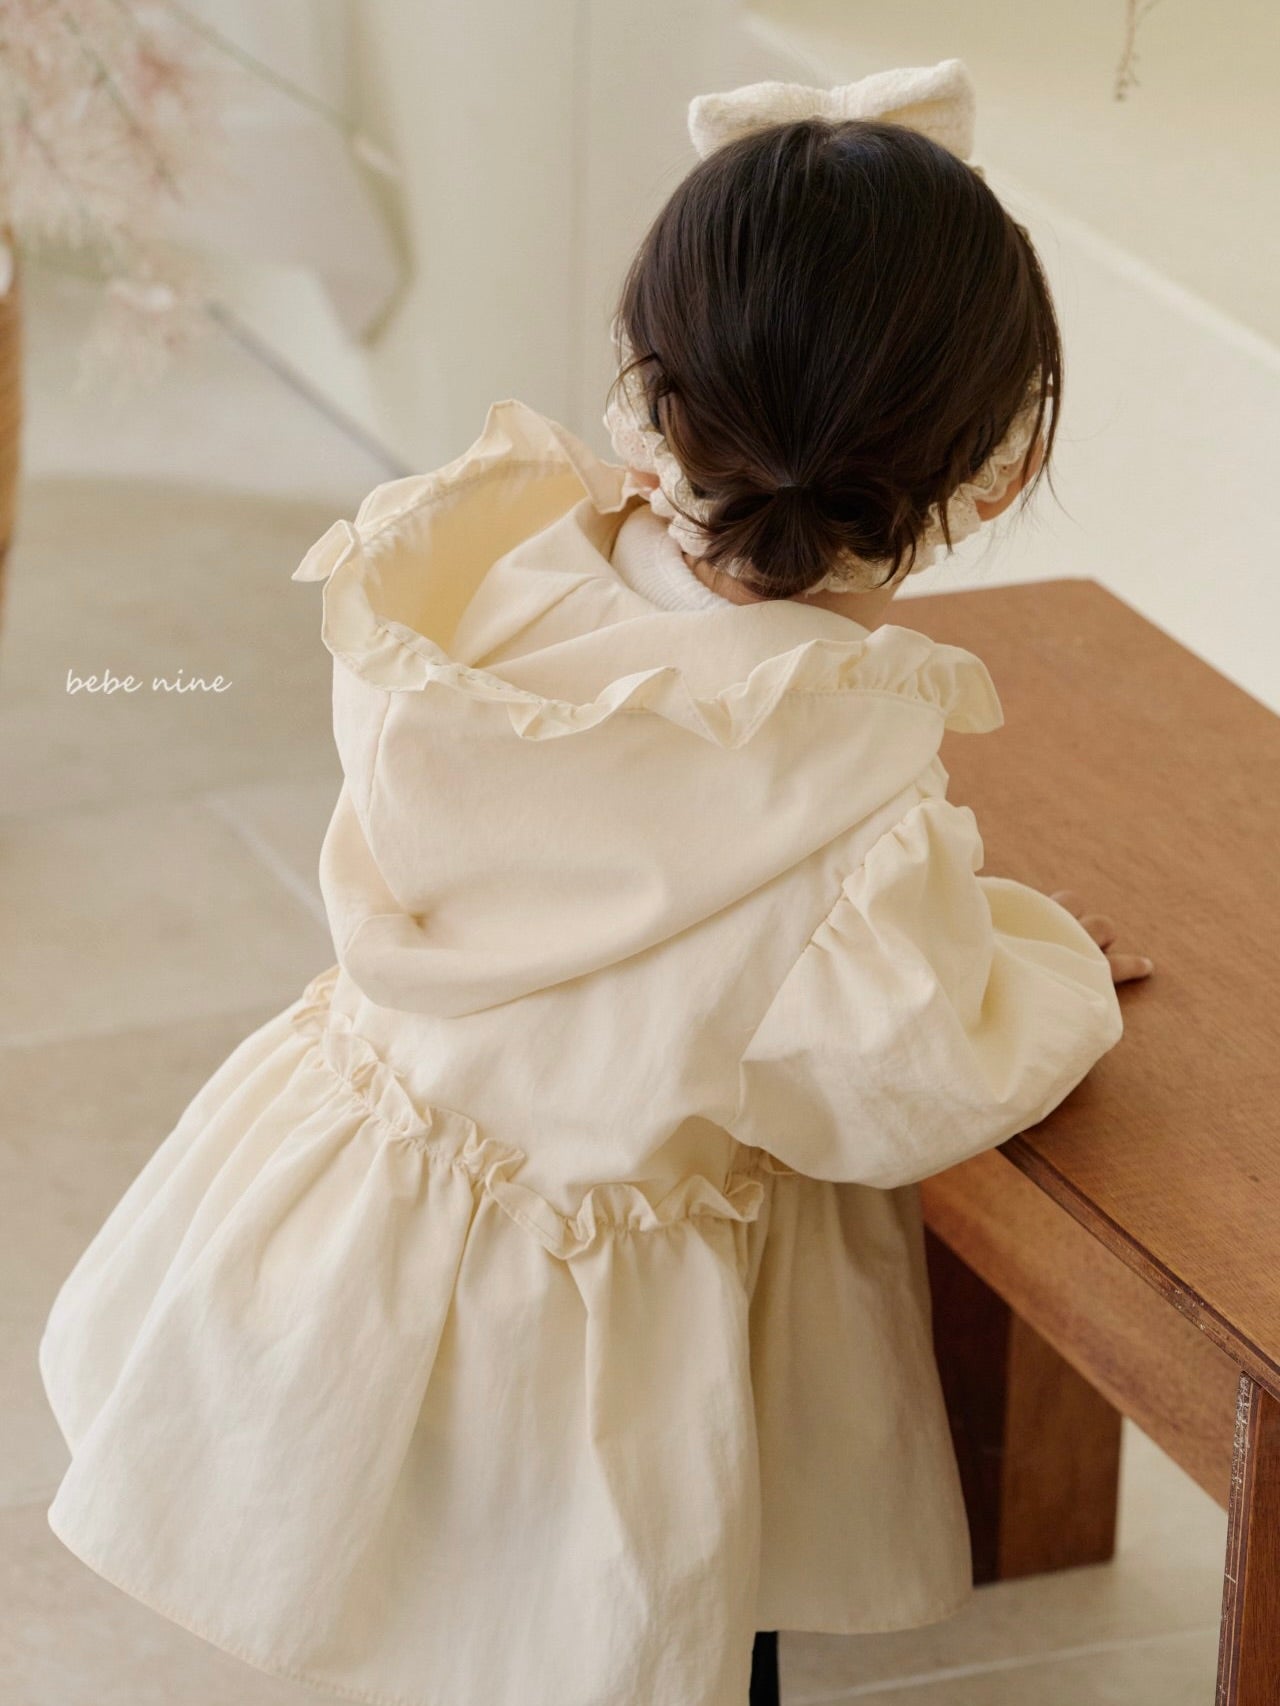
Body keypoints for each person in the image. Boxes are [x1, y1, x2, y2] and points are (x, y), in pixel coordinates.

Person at [39, 58, 1151, 1706]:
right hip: (591, 1376)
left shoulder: (494, 589)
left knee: (416, 1613)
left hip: (354, 1254)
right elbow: (906, 1075)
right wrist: (1041, 965)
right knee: (603, 1642)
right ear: (991, 470)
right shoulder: (850, 800)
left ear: (651, 393)